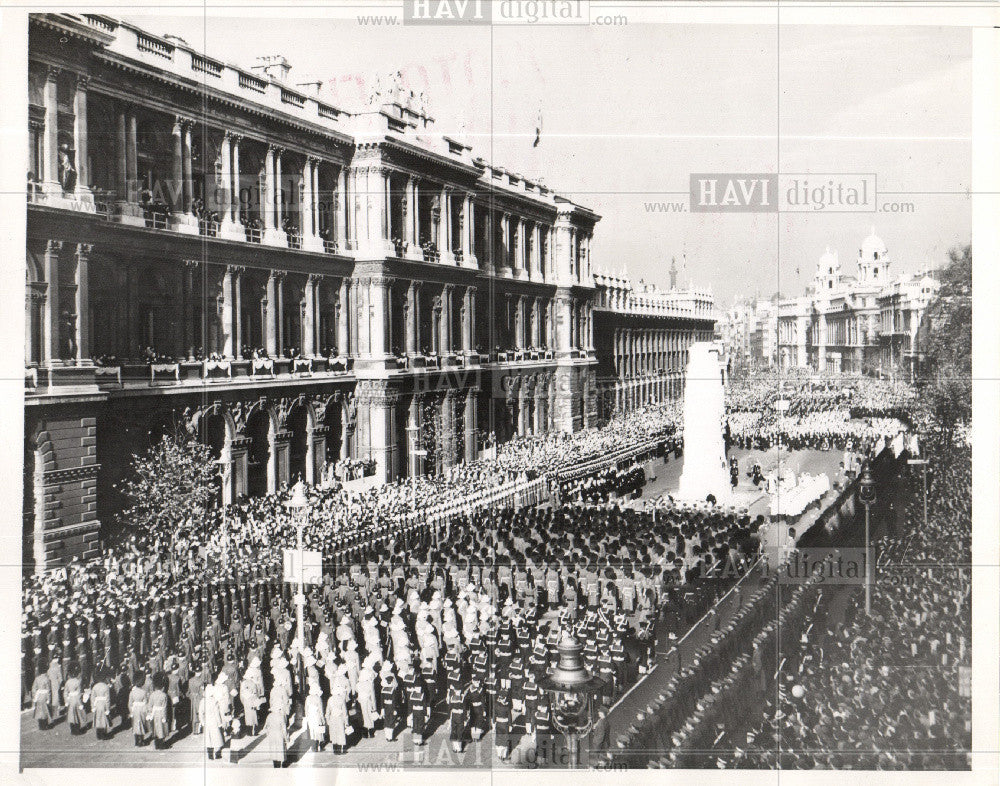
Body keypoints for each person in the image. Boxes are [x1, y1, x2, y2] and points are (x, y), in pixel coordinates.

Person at [149, 672, 170, 749]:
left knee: (155, 729)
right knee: (161, 729)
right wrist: (164, 717)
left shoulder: (152, 695)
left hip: (154, 714)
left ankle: (156, 744)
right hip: (161, 714)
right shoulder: (164, 695)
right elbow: (164, 707)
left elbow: (150, 706)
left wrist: (150, 714)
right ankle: (162, 745)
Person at [128, 671, 150, 747]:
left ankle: (136, 741)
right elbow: (146, 703)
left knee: (135, 726)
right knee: (141, 725)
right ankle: (141, 741)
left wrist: (131, 712)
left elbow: (130, 704)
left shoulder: (132, 692)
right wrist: (147, 712)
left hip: (134, 710)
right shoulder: (143, 692)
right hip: (142, 710)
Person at [31, 663, 53, 731]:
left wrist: (35, 696)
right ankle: (45, 725)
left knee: (39, 711)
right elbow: (48, 690)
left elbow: (33, 688)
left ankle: (40, 725)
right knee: (45, 712)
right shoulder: (47, 679)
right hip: (44, 696)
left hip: (38, 696)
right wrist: (49, 699)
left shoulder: (37, 678)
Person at [91, 672, 112, 739]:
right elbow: (107, 699)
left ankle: (98, 734)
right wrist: (108, 708)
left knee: (98, 720)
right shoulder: (106, 687)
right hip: (103, 705)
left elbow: (92, 698)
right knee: (104, 720)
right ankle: (104, 734)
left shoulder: (94, 687)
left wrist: (93, 707)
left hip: (97, 705)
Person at [448, 684, 466, 754]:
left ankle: (459, 748)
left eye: (459, 691)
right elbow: (449, 708)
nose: (458, 692)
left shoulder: (462, 698)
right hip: (454, 716)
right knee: (454, 731)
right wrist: (449, 718)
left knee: (460, 731)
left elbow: (464, 709)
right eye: (457, 690)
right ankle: (455, 747)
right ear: (455, 690)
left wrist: (465, 718)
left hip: (460, 716)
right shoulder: (452, 698)